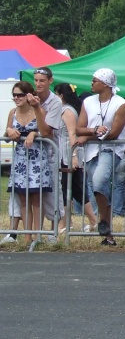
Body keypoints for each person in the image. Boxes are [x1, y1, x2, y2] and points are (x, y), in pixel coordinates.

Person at [76, 69, 125, 246]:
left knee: (99, 181)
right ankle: (108, 234)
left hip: (111, 149)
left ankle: (103, 221)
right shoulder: (88, 102)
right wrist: (93, 131)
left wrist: (88, 136)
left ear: (105, 84)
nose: (92, 83)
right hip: (91, 151)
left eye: (95, 80)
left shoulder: (120, 104)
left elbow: (114, 133)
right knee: (99, 188)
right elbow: (79, 128)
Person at [5, 81, 53, 245]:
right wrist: (10, 130)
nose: (16, 98)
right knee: (23, 199)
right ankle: (27, 235)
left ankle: (37, 235)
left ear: (28, 95)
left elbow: (46, 131)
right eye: (14, 95)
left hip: (37, 158)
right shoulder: (12, 112)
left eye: (19, 95)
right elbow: (7, 129)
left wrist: (33, 133)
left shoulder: (39, 111)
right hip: (20, 159)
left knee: (36, 199)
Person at [54, 83, 98, 234]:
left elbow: (73, 134)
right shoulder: (68, 109)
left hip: (69, 154)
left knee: (72, 188)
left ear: (61, 95)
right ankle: (73, 221)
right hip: (65, 154)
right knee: (73, 189)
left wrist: (73, 156)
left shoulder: (67, 111)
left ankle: (71, 221)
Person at [31, 67, 64, 241]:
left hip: (50, 152)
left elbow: (45, 131)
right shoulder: (30, 97)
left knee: (52, 192)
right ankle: (33, 234)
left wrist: (36, 109)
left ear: (50, 81)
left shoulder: (55, 102)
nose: (38, 84)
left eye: (42, 80)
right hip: (32, 154)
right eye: (36, 80)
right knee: (32, 193)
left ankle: (54, 232)